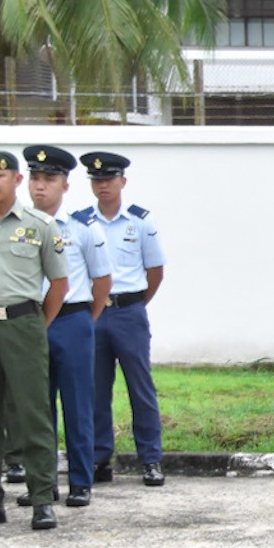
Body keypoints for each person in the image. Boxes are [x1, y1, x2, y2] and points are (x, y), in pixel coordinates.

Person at [0, 150, 68, 531]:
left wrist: (36, 323)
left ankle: (41, 498)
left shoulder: (39, 225)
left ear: (16, 180)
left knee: (32, 411)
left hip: (23, 325)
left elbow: (59, 283)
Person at [22, 146, 111, 509]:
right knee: (36, 408)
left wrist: (84, 321)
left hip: (73, 321)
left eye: (50, 179)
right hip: (29, 322)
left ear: (65, 185)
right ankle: (41, 484)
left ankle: (79, 481)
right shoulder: (18, 228)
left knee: (77, 403)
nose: (40, 187)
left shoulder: (82, 229)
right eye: (35, 179)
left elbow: (102, 281)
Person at [81, 151, 166, 487]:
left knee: (140, 387)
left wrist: (134, 304)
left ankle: (151, 459)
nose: (103, 185)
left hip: (130, 312)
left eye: (109, 179)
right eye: (97, 180)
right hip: (94, 312)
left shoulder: (140, 222)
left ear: (122, 182)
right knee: (95, 389)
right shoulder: (82, 222)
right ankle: (100, 458)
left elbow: (155, 271)